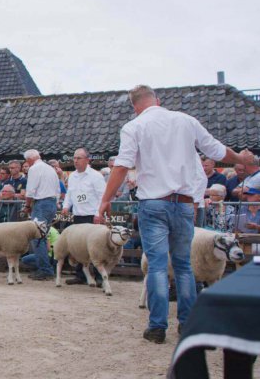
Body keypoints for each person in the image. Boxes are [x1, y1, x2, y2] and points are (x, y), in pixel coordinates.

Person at [97, 85, 256, 344]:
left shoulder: (133, 127)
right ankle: (188, 323)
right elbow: (217, 150)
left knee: (158, 266)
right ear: (158, 100)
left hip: (153, 203)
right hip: (183, 203)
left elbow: (123, 165)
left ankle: (157, 327)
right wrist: (240, 156)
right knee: (183, 266)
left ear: (135, 106)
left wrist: (105, 200)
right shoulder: (185, 120)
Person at [61, 148, 107, 285]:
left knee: (96, 248)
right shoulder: (72, 176)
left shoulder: (96, 176)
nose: (75, 161)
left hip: (92, 215)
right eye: (74, 158)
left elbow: (102, 196)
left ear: (87, 160)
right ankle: (80, 275)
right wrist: (65, 206)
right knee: (78, 247)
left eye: (79, 158)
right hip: (78, 215)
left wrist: (99, 214)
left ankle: (100, 277)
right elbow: (70, 194)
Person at [23, 149, 60, 281]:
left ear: (29, 160)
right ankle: (46, 268)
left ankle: (45, 269)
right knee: (42, 236)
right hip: (51, 203)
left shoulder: (34, 169)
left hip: (41, 203)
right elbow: (57, 189)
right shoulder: (50, 169)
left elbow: (30, 190)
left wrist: (27, 205)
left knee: (37, 237)